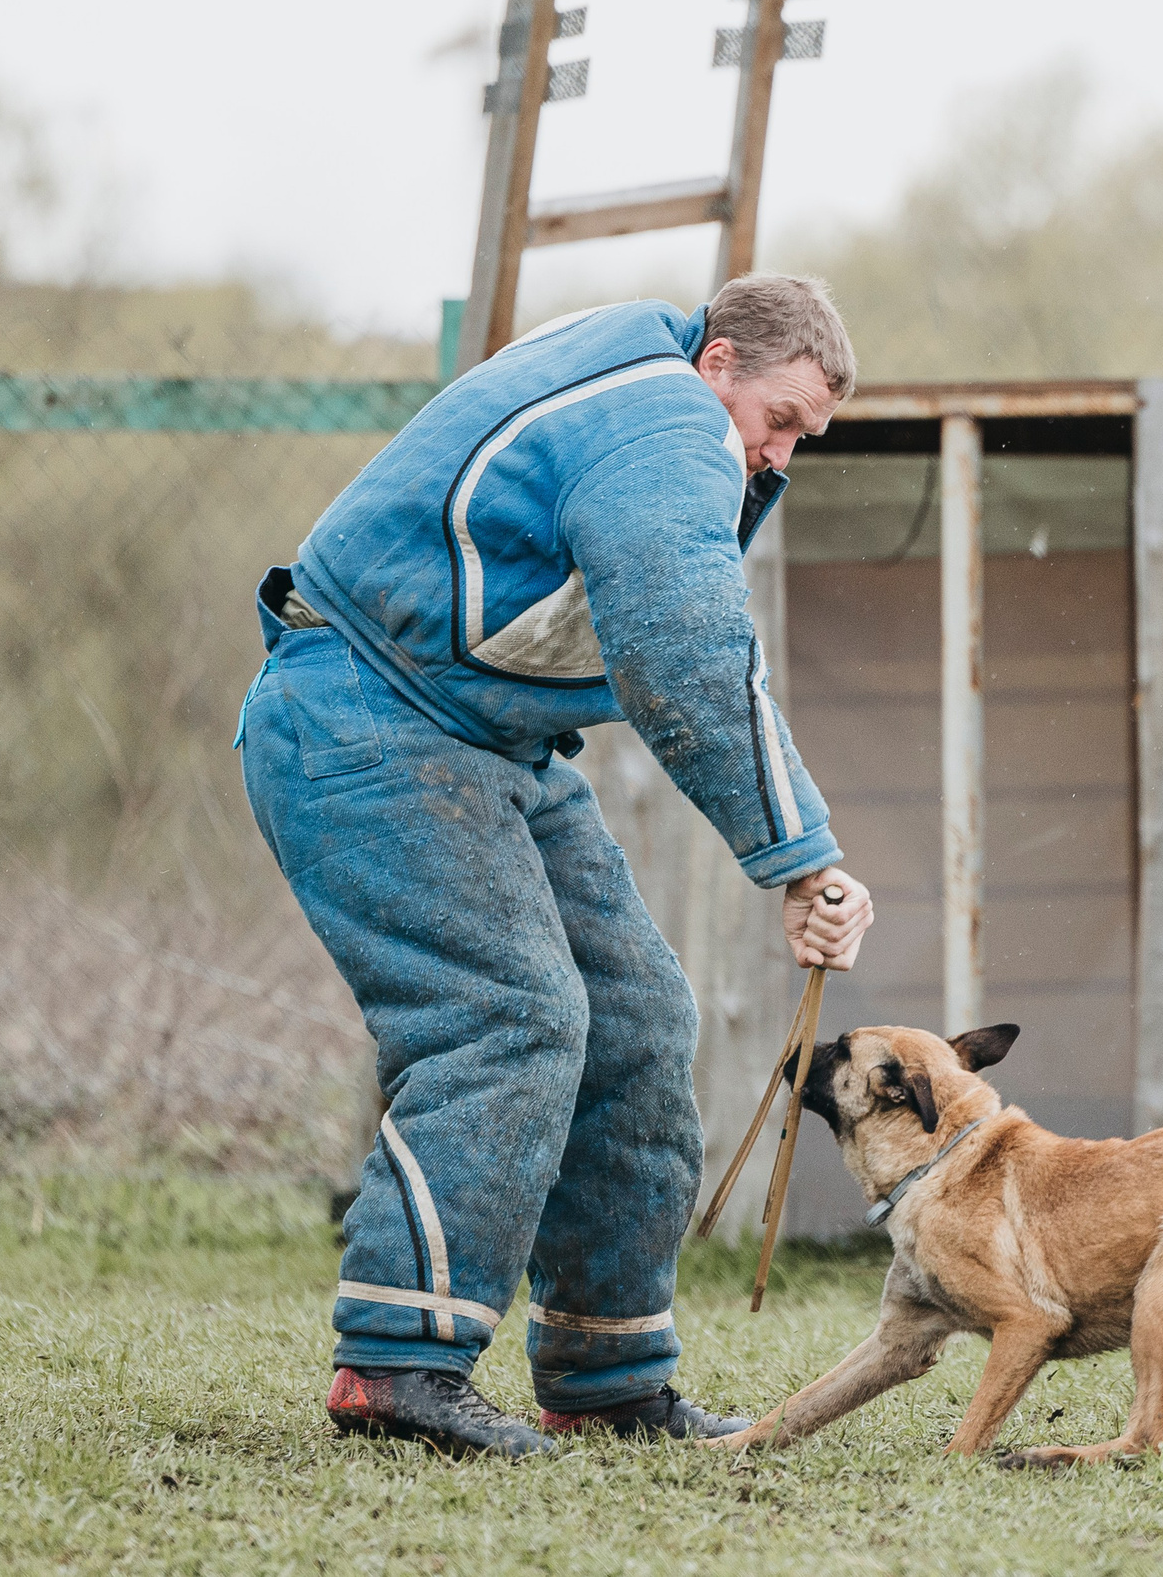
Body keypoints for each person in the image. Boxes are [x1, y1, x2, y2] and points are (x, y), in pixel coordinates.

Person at [236, 275, 876, 1457]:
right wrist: (801, 858)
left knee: (634, 1017)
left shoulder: (664, 394)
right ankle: (396, 1371)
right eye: (776, 419)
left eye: (804, 440)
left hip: (483, 739)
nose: (778, 455)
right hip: (363, 715)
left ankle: (608, 1377)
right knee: (509, 1015)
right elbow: (683, 647)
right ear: (720, 360)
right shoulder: (666, 416)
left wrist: (799, 845)